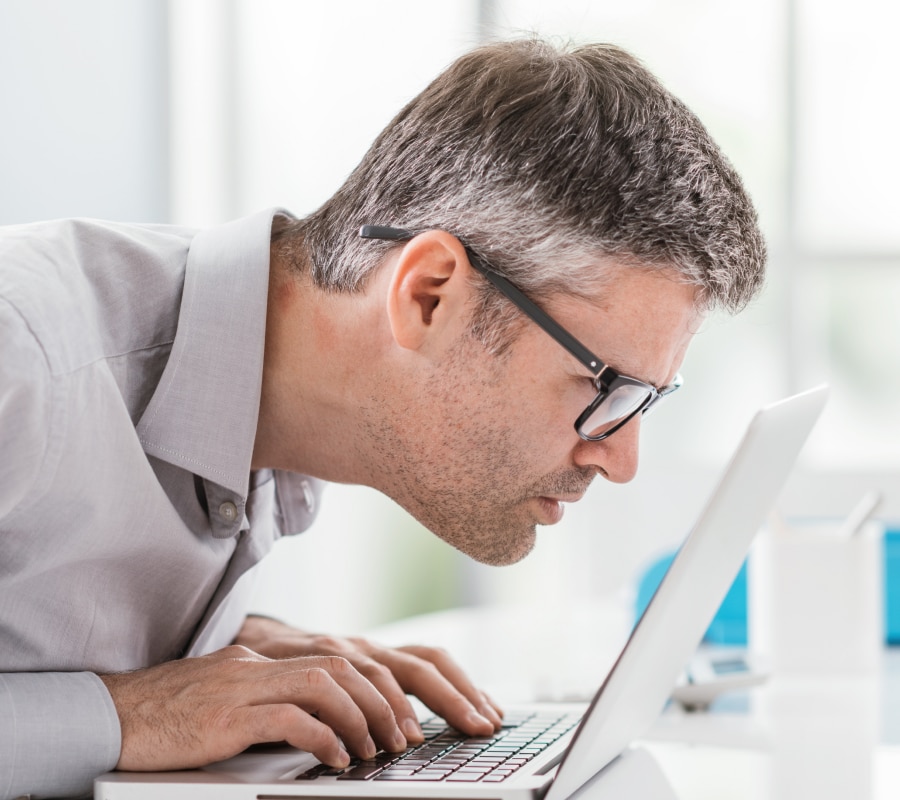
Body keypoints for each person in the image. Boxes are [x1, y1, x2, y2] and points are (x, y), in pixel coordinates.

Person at [0, 37, 765, 799]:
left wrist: (222, 646)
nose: (622, 459)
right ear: (429, 294)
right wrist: (133, 715)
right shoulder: (24, 355)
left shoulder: (292, 409)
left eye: (649, 400)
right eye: (607, 389)